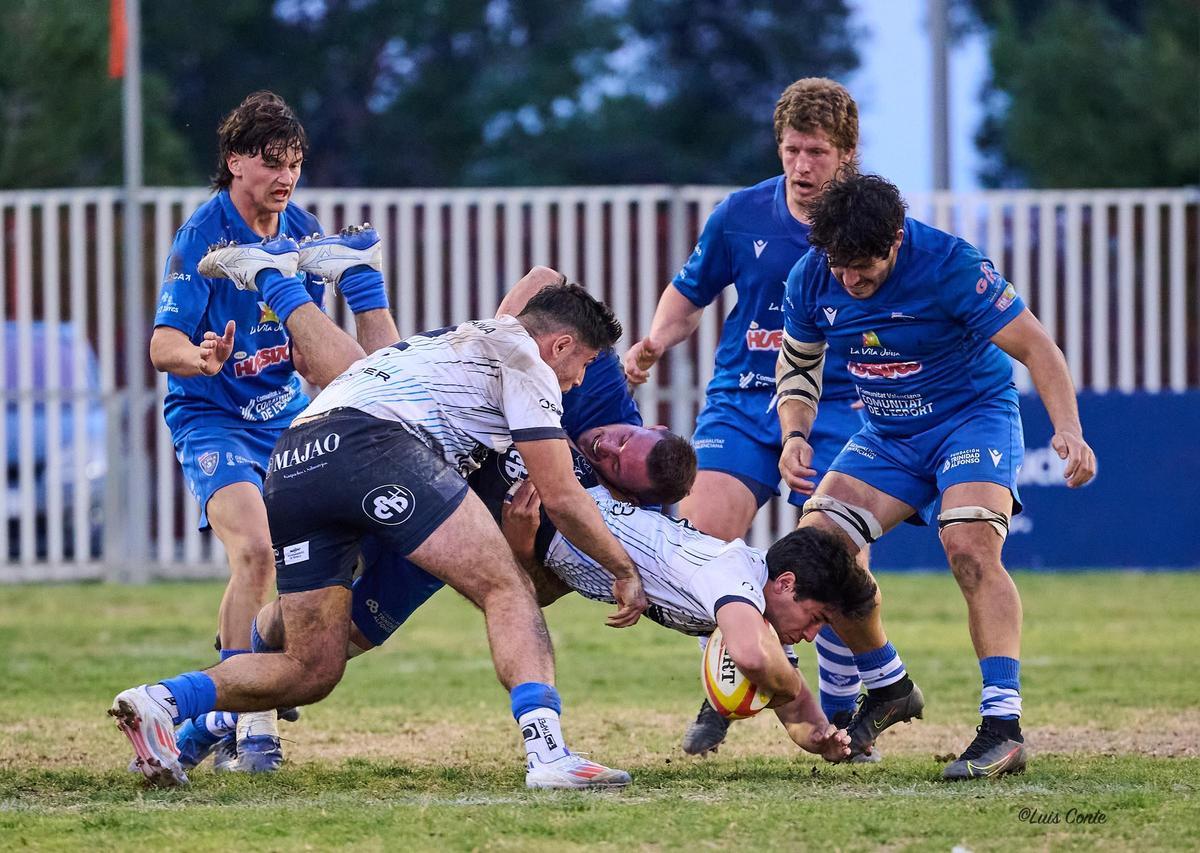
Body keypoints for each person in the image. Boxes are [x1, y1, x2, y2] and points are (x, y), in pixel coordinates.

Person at [114, 249, 647, 789]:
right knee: (504, 587)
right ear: (559, 345)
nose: (579, 382)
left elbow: (539, 284)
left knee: (311, 669)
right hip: (374, 449)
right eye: (581, 365)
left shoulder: (475, 336)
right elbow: (561, 494)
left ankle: (161, 700)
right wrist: (623, 570)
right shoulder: (527, 363)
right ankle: (548, 754)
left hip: (297, 454)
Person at [777, 173, 1097, 779]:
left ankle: (1003, 729)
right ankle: (888, 683)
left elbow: (1037, 347)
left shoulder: (950, 264)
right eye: (839, 266)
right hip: (887, 435)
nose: (849, 280)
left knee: (970, 546)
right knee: (819, 549)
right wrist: (795, 432)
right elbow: (796, 364)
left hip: (970, 419)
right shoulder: (812, 275)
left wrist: (1069, 431)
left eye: (863, 267)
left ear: (896, 240)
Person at [622, 77, 873, 754]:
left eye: (817, 152)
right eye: (792, 149)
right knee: (702, 539)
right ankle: (725, 691)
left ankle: (848, 711)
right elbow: (687, 292)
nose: (801, 165)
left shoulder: (869, 224)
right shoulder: (740, 214)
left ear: (846, 154)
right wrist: (652, 343)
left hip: (838, 407)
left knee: (837, 560)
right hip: (742, 400)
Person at [149, 90, 394, 772]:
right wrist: (198, 357)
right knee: (256, 550)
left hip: (287, 415)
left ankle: (226, 700)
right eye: (271, 162)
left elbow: (315, 344)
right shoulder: (203, 236)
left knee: (332, 554)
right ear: (234, 162)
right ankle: (252, 727)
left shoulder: (304, 229)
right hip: (211, 417)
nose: (285, 177)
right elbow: (161, 342)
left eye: (294, 163)